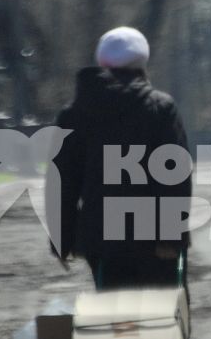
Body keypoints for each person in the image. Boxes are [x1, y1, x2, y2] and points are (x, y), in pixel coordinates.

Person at [50, 26, 191, 290]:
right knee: (161, 317)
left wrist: (62, 239)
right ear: (142, 65)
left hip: (102, 238)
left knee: (115, 318)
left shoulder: (74, 115)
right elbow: (174, 177)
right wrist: (171, 237)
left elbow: (63, 183)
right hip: (154, 238)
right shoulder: (160, 108)